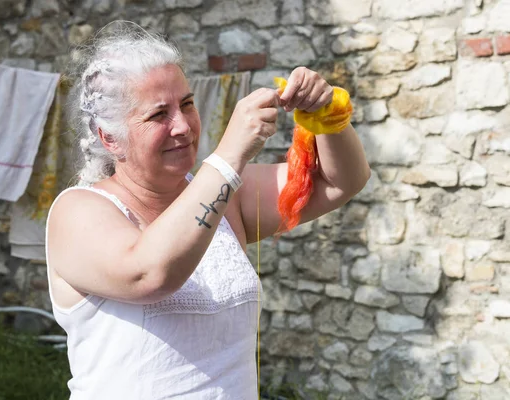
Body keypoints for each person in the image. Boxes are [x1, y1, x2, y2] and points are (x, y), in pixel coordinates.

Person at [46, 21, 370, 400]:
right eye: (158, 115)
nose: (182, 126)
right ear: (109, 138)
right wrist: (229, 155)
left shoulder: (226, 195)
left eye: (186, 104)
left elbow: (339, 182)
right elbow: (149, 274)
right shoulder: (78, 210)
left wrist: (326, 116)